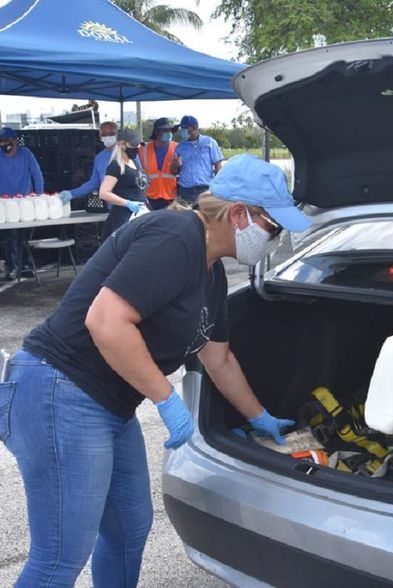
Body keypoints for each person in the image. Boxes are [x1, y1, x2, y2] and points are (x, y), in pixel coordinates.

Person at [0, 153, 312, 586]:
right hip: (59, 388)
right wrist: (166, 399)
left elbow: (217, 356)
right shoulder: (175, 234)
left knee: (129, 528)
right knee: (60, 556)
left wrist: (259, 417)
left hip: (109, 403)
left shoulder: (213, 274)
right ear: (239, 214)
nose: (274, 240)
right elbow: (105, 321)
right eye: (273, 228)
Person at [0, 126, 43, 280]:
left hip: (25, 203)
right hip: (4, 205)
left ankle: (25, 265)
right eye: (2, 141)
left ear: (16, 140)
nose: (5, 144)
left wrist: (39, 196)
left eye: (8, 140)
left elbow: (37, 175)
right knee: (8, 236)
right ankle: (11, 266)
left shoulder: (26, 154)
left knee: (24, 236)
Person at [98, 128, 149, 240]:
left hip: (139, 214)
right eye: (133, 145)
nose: (136, 148)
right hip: (124, 217)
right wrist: (127, 203)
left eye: (138, 145)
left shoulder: (134, 162)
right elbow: (103, 193)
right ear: (122, 145)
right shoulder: (115, 166)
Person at [58, 121, 119, 205]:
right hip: (113, 208)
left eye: (111, 134)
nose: (107, 136)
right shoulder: (99, 158)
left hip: (130, 205)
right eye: (104, 134)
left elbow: (138, 179)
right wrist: (72, 193)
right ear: (100, 136)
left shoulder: (126, 154)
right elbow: (94, 183)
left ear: (117, 134)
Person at [172, 115, 225, 203]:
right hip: (185, 190)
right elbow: (174, 171)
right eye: (182, 128)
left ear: (194, 128)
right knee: (185, 216)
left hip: (205, 189)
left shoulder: (209, 143)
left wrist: (218, 187)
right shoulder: (179, 147)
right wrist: (175, 165)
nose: (182, 130)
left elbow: (218, 166)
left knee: (205, 215)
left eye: (185, 128)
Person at [140, 117, 179, 210]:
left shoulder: (178, 148)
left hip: (172, 196)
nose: (169, 133)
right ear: (157, 132)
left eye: (170, 130)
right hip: (150, 197)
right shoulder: (143, 149)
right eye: (165, 130)